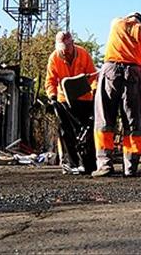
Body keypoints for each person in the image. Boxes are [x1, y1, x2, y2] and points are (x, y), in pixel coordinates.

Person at [92, 12, 141, 178]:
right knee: (133, 122)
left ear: (129, 17)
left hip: (111, 70)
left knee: (105, 119)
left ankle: (104, 165)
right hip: (133, 73)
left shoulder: (116, 23)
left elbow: (122, 42)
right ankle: (130, 168)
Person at [45, 31, 98, 174]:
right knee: (66, 132)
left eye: (67, 46)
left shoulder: (83, 54)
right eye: (62, 47)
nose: (65, 50)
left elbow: (93, 76)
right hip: (64, 100)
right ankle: (72, 163)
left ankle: (89, 163)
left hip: (84, 99)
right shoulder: (54, 57)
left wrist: (94, 91)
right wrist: (52, 96)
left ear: (72, 43)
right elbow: (50, 80)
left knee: (86, 132)